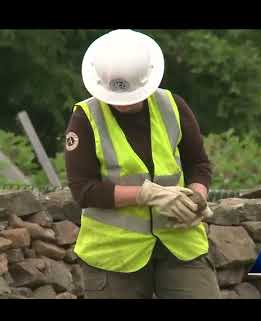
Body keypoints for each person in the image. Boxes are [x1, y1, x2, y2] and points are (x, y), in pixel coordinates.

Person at [64, 29, 220, 299]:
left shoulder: (172, 105)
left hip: (180, 241)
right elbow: (83, 190)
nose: (123, 104)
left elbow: (199, 165)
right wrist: (146, 195)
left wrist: (197, 197)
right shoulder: (85, 118)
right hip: (114, 256)